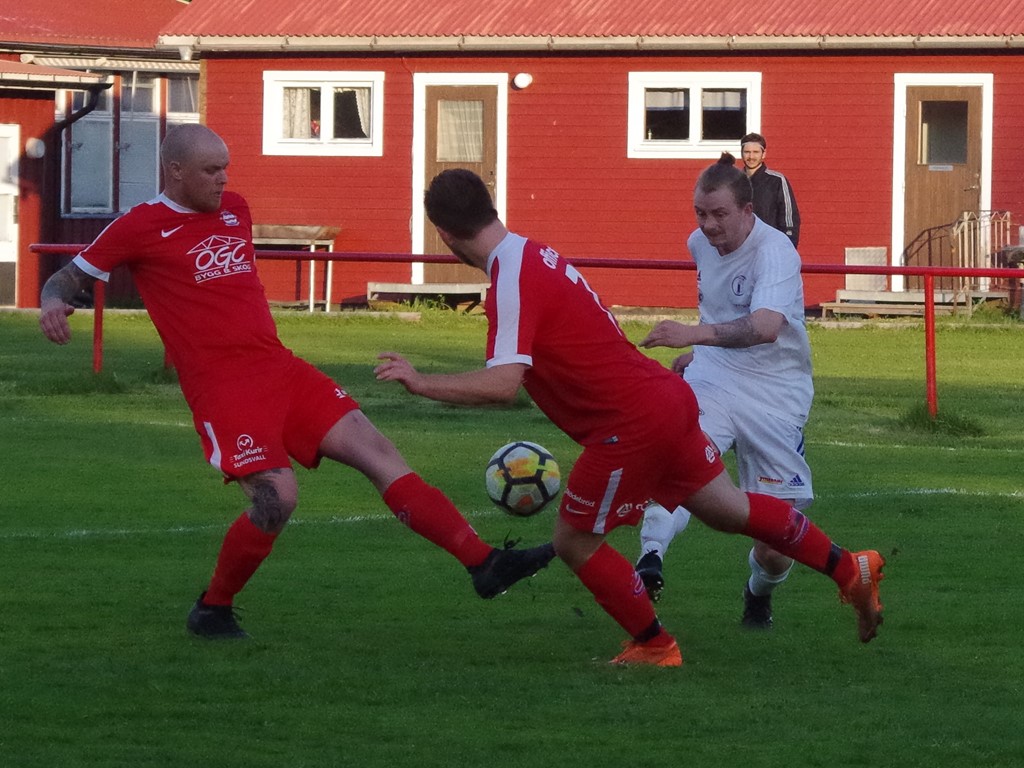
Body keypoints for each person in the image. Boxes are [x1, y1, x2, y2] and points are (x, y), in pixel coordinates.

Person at [38, 124, 554, 640]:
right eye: (210, 170)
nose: (223, 180)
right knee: (276, 499)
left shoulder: (235, 208)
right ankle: (213, 608)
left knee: (378, 451)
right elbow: (68, 276)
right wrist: (53, 302)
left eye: (226, 168)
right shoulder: (140, 225)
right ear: (174, 172)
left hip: (280, 369)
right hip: (225, 390)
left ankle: (483, 563)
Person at [374, 167, 885, 667]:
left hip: (629, 425)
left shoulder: (512, 278)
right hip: (664, 398)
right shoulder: (534, 254)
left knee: (573, 540)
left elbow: (503, 384)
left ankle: (655, 645)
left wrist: (422, 382)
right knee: (728, 509)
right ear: (491, 208)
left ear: (443, 235)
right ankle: (847, 567)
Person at [635, 151, 813, 631]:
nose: (708, 226)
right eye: (700, 213)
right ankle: (649, 559)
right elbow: (718, 311)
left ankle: (758, 592)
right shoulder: (699, 243)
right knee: (678, 462)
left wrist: (693, 337)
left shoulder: (775, 251)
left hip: (776, 392)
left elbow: (766, 326)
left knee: (775, 546)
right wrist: (703, 354)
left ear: (748, 212)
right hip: (714, 378)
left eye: (719, 214)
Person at [739, 132, 800, 247]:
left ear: (764, 154)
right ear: (741, 153)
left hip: (769, 247)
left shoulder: (777, 181)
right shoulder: (734, 182)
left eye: (755, 152)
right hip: (740, 250)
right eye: (747, 152)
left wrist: (787, 247)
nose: (751, 157)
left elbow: (789, 218)